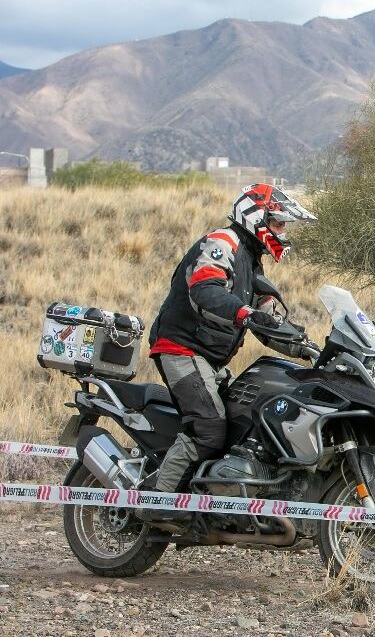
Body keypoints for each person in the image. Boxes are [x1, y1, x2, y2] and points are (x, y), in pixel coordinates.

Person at [140, 183, 316, 521]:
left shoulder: (252, 261)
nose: (281, 232)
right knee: (209, 428)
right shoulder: (224, 243)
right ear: (255, 217)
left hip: (210, 358)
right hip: (181, 348)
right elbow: (205, 289)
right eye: (277, 223)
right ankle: (157, 504)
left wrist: (307, 347)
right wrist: (244, 313)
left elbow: (269, 322)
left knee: (244, 422)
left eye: (282, 225)